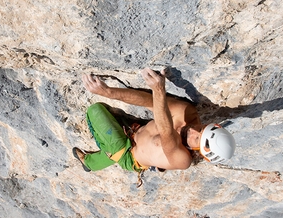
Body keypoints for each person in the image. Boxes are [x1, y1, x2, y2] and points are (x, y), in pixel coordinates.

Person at [73, 67, 235, 177]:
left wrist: (158, 89)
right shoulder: (188, 113)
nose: (192, 130)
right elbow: (150, 102)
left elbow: (167, 134)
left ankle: (90, 163)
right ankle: (99, 159)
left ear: (198, 150)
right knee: (107, 112)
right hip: (133, 128)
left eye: (197, 138)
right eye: (201, 128)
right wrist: (108, 92)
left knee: (95, 111)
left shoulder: (183, 160)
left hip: (128, 154)